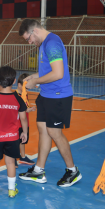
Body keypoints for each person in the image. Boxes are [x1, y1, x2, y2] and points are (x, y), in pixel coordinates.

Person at [18, 19, 82, 187]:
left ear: (34, 31)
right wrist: (34, 76)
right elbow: (48, 69)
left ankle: (72, 171)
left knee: (54, 132)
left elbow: (59, 73)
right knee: (43, 130)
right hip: (46, 95)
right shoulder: (44, 44)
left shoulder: (52, 43)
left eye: (28, 39)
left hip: (58, 96)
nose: (30, 42)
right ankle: (39, 170)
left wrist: (36, 81)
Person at [0, 66, 28, 198]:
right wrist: (24, 132)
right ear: (14, 81)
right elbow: (23, 119)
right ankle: (11, 190)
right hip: (12, 137)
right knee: (10, 162)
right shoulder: (18, 99)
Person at [15, 73, 36, 166]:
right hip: (17, 123)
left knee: (23, 141)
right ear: (20, 84)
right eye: (25, 86)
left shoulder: (24, 94)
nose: (26, 89)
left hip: (24, 122)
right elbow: (17, 109)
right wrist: (26, 109)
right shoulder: (15, 95)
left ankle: (22, 157)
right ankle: (13, 159)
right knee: (16, 141)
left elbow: (25, 107)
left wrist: (29, 109)